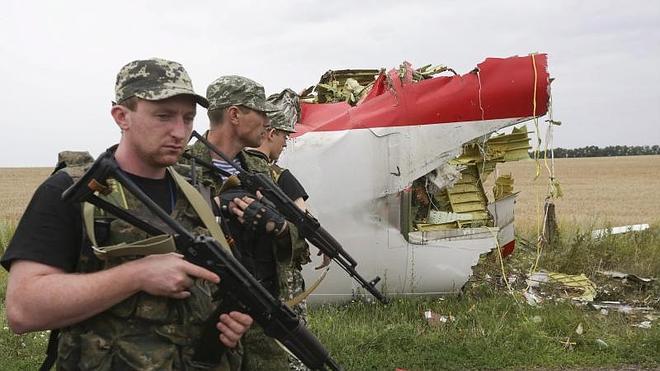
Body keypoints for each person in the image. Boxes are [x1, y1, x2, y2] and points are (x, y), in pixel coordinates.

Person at [1, 58, 253, 370]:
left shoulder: (198, 193)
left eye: (188, 118)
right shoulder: (73, 192)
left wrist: (229, 321)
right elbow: (24, 309)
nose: (180, 131)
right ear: (122, 116)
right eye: (164, 116)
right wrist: (136, 275)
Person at [181, 76, 308, 370]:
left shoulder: (264, 172)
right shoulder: (182, 168)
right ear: (235, 115)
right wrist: (215, 209)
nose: (268, 122)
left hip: (260, 308)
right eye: (261, 113)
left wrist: (278, 227)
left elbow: (300, 238)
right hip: (207, 318)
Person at [244, 88, 330, 371]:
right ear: (270, 133)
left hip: (250, 273)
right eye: (284, 136)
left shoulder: (236, 167)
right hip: (281, 272)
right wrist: (324, 246)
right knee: (293, 336)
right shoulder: (279, 176)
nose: (285, 144)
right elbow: (304, 220)